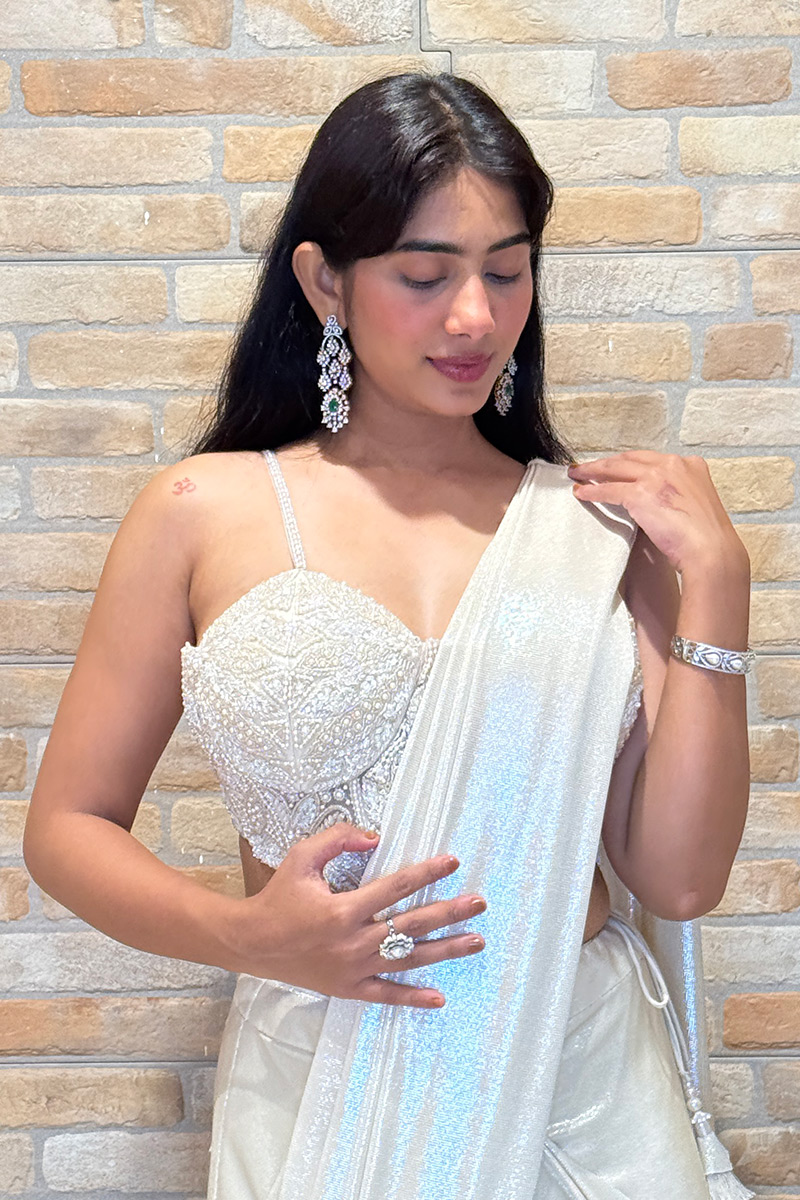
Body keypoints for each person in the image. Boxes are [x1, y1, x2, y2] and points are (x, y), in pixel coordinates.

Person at [23, 71, 755, 1198]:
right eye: (425, 275)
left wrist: (718, 583)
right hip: (318, 1066)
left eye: (505, 271)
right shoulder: (202, 512)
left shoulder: (592, 530)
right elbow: (67, 827)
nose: (475, 318)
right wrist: (247, 935)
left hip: (577, 1075)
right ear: (326, 279)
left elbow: (679, 877)